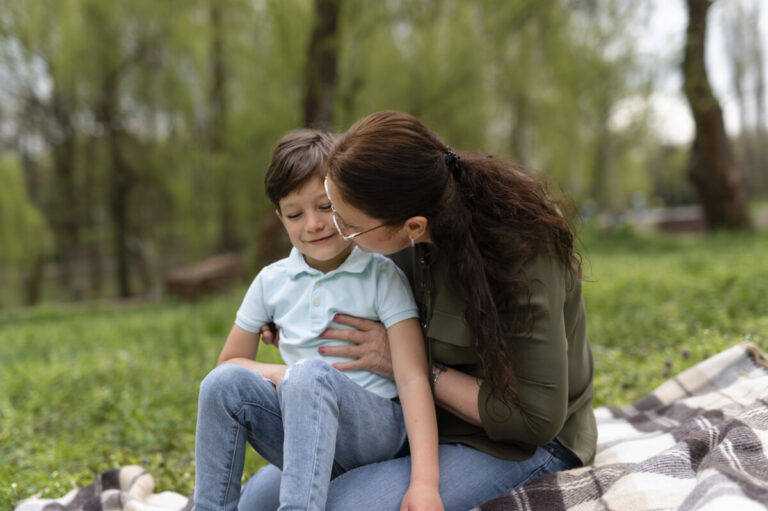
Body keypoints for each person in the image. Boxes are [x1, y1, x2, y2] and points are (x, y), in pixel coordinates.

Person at [250, 111, 597, 511]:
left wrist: (400, 362)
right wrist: (297, 320)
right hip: (414, 429)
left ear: (413, 227)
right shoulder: (392, 230)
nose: (338, 233)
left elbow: (534, 419)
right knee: (257, 500)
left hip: (522, 445)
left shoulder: (522, 257)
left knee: (338, 506)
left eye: (349, 225)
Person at [192, 129, 443, 511]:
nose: (314, 224)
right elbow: (230, 364)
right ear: (281, 218)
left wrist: (425, 482)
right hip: (302, 425)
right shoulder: (271, 282)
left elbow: (412, 378)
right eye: (295, 214)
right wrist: (288, 374)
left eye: (326, 207)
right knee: (220, 384)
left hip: (375, 431)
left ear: (347, 200)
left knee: (309, 376)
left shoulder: (381, 274)